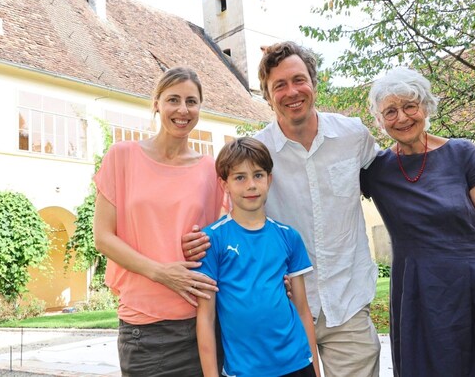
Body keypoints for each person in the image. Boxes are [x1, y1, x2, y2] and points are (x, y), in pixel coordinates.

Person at [185, 41, 381, 377]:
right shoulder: (258, 154)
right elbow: (230, 214)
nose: (292, 92)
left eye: (299, 80)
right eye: (279, 85)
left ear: (314, 83)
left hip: (347, 306)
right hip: (281, 315)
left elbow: (391, 180)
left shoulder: (353, 136)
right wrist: (199, 241)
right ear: (266, 95)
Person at [360, 67, 475, 376]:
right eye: (390, 111)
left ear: (426, 107)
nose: (401, 118)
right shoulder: (375, 169)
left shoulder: (462, 153)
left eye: (409, 106)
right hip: (420, 297)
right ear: (379, 121)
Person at [93, 67, 224, 376]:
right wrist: (162, 272)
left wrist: (209, 240)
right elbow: (102, 237)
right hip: (145, 329)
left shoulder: (210, 168)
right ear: (156, 103)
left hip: (202, 322)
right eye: (173, 100)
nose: (183, 109)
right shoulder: (121, 156)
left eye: (191, 101)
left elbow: (230, 236)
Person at [196, 137, 321, 377]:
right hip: (245, 369)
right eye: (240, 177)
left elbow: (303, 309)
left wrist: (315, 370)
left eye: (258, 175)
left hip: (297, 363)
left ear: (269, 179)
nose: (251, 185)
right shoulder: (212, 239)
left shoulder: (288, 236)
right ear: (225, 184)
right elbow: (205, 318)